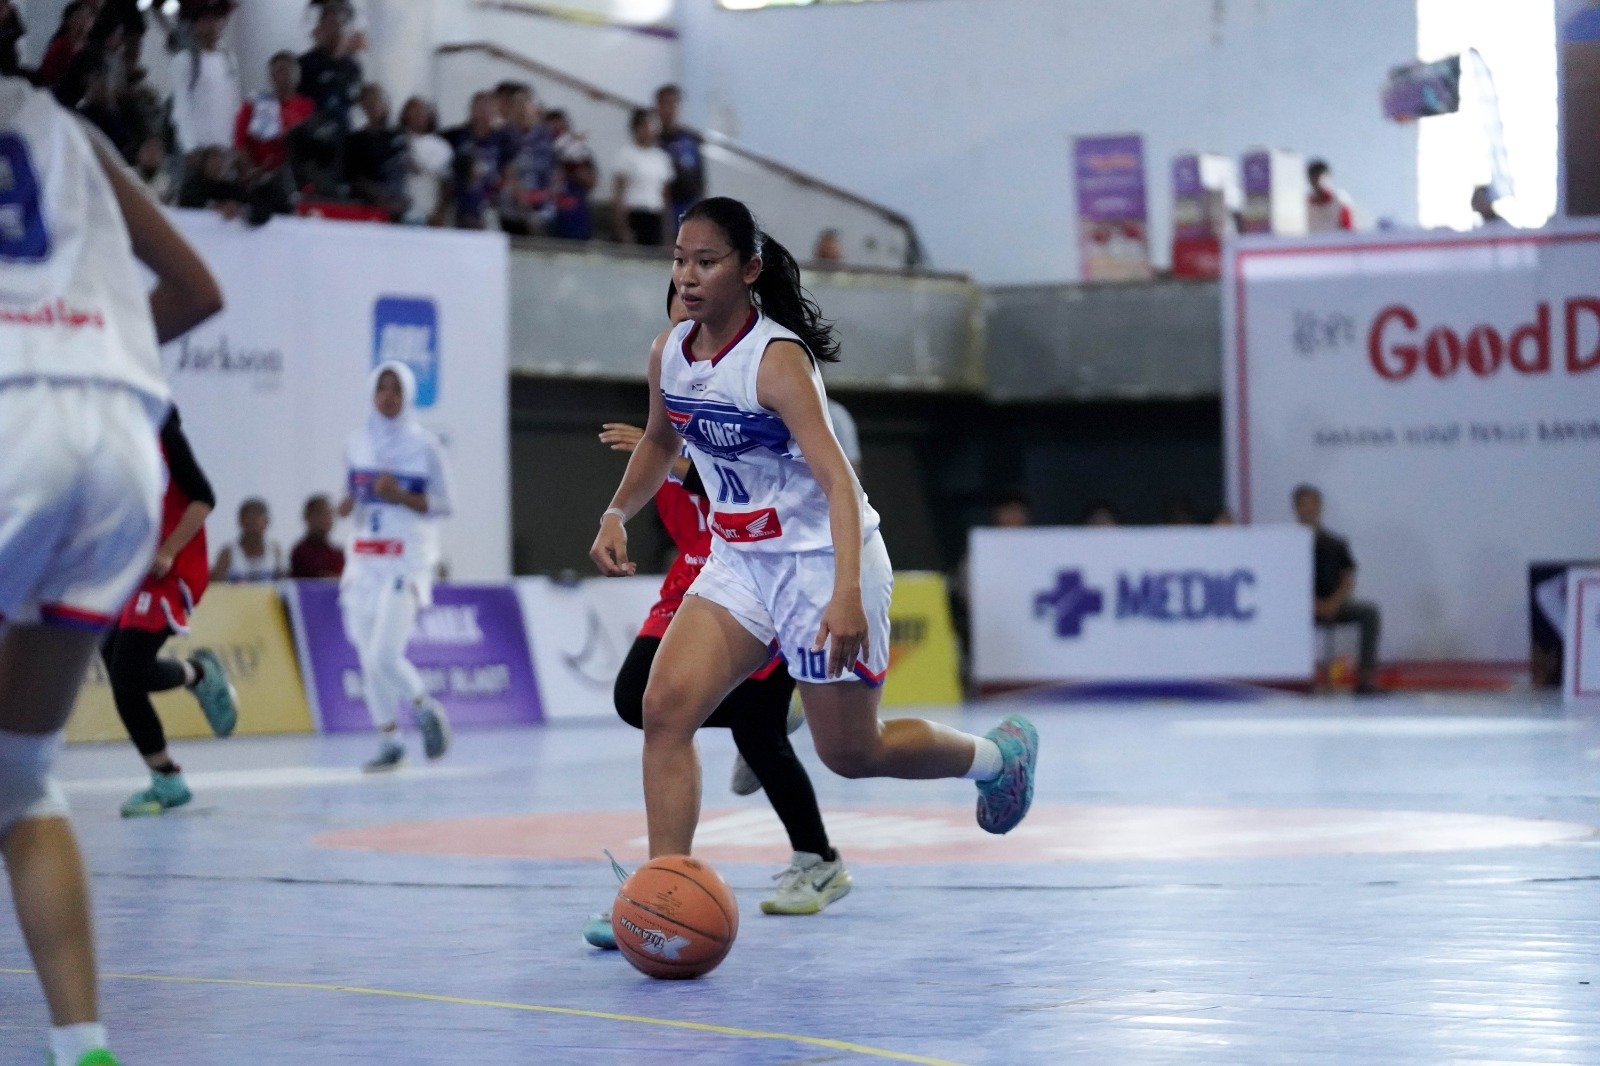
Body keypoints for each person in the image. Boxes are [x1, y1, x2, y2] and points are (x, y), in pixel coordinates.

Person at [589, 196, 1039, 872]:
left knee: (853, 753)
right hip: (740, 562)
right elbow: (659, 440)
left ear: (749, 270)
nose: (687, 275)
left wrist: (847, 592)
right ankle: (665, 889)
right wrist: (616, 513)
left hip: (820, 562)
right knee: (663, 709)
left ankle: (997, 758)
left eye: (706, 261)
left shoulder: (776, 363)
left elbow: (840, 485)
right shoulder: (669, 353)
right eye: (680, 260)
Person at [0, 72, 222, 1066]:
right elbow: (199, 291)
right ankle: (82, 1045)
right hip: (121, 449)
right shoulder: (65, 127)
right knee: (18, 778)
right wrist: (101, 357)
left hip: (11, 421)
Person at [583, 287, 851, 950]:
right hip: (706, 572)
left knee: (786, 736)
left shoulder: (772, 378)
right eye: (679, 310)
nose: (690, 324)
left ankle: (816, 858)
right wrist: (619, 508)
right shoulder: (674, 387)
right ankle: (662, 890)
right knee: (642, 701)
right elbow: (669, 461)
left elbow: (795, 482)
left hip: (781, 568)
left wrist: (676, 463)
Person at [99, 408, 239, 818]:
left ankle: (199, 674)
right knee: (118, 669)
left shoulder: (163, 431)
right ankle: (166, 777)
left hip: (171, 565)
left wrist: (168, 550)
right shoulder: (106, 437)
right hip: (133, 566)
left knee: (128, 670)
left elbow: (203, 497)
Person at [338, 361, 453, 771]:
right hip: (364, 562)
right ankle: (390, 741)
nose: (388, 396)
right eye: (382, 388)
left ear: (407, 396)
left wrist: (401, 495)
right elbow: (353, 495)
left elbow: (444, 504)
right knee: (368, 659)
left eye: (396, 389)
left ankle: (426, 709)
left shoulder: (425, 447)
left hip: (406, 560)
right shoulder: (356, 443)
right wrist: (347, 504)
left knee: (385, 654)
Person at [1293, 484, 1382, 694]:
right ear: (1296, 510)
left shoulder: (1336, 543)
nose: (1307, 509)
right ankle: (1296, 679)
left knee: (1370, 613)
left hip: (1335, 604)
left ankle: (1365, 679)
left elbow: (1347, 578)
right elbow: (1287, 582)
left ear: (1319, 507)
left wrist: (1334, 603)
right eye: (1302, 505)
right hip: (1301, 608)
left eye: (1311, 504)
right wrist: (1313, 604)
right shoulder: (1287, 544)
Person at [167, 0, 240, 155]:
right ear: (195, 25)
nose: (212, 25)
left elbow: (234, 102)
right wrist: (190, 147)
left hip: (226, 147)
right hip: (200, 151)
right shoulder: (185, 60)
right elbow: (181, 107)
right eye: (206, 20)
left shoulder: (229, 59)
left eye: (217, 19)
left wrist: (237, 142)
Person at [234, 51, 314, 177]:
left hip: (299, 175)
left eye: (292, 71)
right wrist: (251, 172)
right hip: (264, 176)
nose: (288, 75)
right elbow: (240, 144)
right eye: (282, 71)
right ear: (272, 76)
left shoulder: (307, 106)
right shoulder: (253, 105)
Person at [611, 107, 673, 247]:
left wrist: (668, 230)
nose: (647, 130)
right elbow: (619, 193)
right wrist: (621, 227)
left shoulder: (661, 157)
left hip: (654, 215)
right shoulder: (626, 154)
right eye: (643, 125)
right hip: (634, 214)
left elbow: (666, 196)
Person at [397, 95, 450, 226]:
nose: (418, 116)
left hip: (428, 213)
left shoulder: (441, 147)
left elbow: (444, 182)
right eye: (414, 112)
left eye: (422, 112)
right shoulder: (396, 142)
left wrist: (439, 212)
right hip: (398, 210)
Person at [655, 84, 704, 226]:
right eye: (665, 103)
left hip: (689, 206)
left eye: (674, 102)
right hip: (663, 209)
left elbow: (699, 177)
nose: (670, 108)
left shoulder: (691, 140)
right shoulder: (654, 141)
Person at [211, 498, 283, 582]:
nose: (252, 528)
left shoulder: (274, 551)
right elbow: (216, 585)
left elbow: (283, 583)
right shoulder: (228, 553)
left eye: (255, 522)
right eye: (248, 522)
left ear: (266, 522)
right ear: (240, 522)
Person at [289, 494, 345, 579]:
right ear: (308, 517)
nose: (326, 518)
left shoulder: (338, 554)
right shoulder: (301, 553)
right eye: (320, 513)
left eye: (329, 513)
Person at [1305, 159, 1355, 233]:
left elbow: (1348, 228)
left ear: (1328, 176)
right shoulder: (1305, 203)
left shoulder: (1340, 199)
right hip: (1314, 240)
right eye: (1312, 178)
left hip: (1337, 239)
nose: (1315, 182)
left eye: (1318, 177)